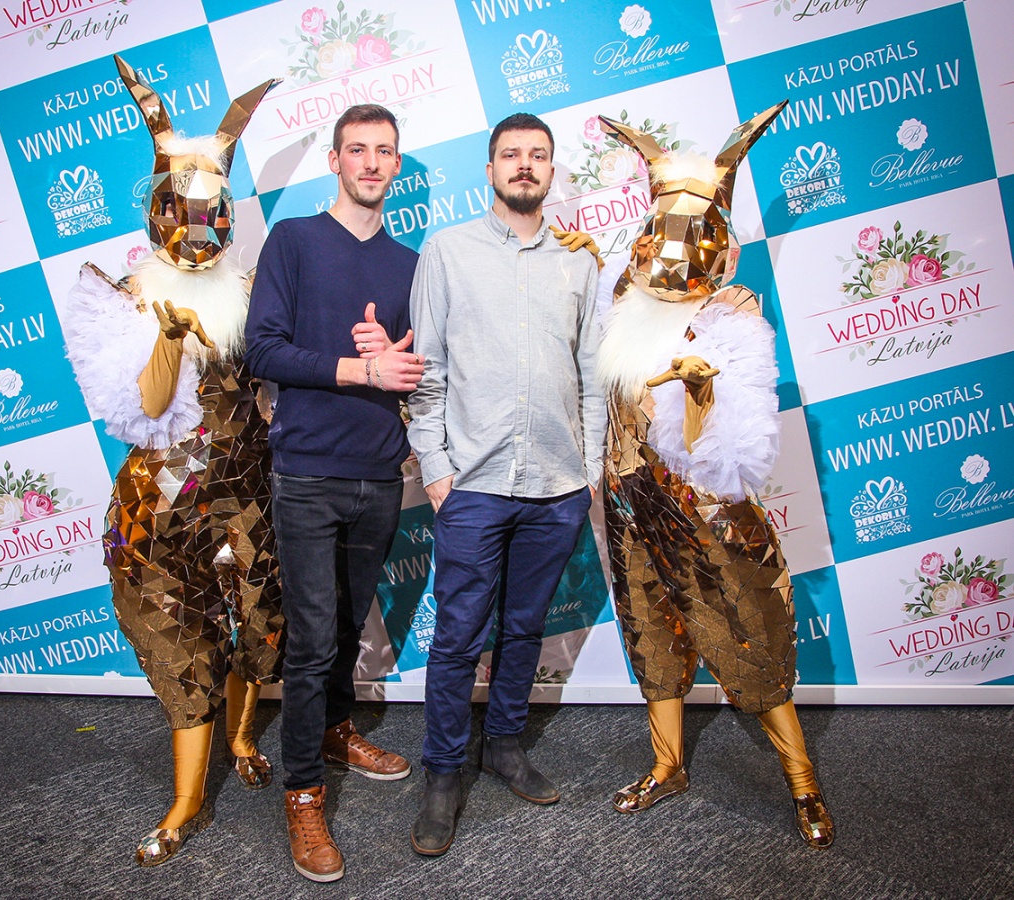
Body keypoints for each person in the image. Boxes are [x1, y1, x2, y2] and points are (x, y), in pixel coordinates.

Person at [62, 57, 284, 867]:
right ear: (156, 212)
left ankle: (243, 737)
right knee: (181, 638)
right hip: (162, 504)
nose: (196, 230)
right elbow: (149, 407)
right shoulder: (128, 297)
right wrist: (167, 336)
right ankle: (188, 799)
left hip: (248, 494)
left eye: (210, 214)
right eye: (178, 212)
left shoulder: (253, 292)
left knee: (261, 624)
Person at [594, 106, 834, 850]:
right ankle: (667, 766)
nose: (672, 254)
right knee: (650, 635)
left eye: (692, 236)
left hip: (707, 514)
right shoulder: (622, 303)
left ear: (719, 245)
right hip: (628, 504)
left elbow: (733, 456)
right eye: (661, 232)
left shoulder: (731, 315)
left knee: (747, 636)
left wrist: (700, 389)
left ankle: (803, 784)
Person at [405, 112, 605, 857]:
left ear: (551, 171)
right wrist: (436, 468)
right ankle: (444, 770)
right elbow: (426, 370)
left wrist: (588, 473)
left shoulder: (579, 264)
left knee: (525, 628)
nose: (525, 165)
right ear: (490, 170)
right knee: (458, 635)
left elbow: (592, 376)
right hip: (474, 484)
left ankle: (506, 744)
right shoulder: (448, 251)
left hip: (557, 484)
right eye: (511, 155)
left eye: (538, 155)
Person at [243, 104, 425, 883]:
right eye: (358, 149)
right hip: (308, 474)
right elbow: (262, 349)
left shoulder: (412, 263)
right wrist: (360, 369)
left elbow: (422, 370)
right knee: (313, 639)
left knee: (349, 626)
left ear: (397, 164)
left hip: (380, 474)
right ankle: (303, 793)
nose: (372, 162)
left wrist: (401, 362)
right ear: (336, 160)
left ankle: (334, 730)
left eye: (385, 150)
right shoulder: (293, 240)